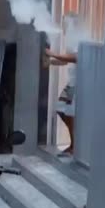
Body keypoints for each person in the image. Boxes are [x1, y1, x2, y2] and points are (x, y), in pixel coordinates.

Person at [44, 14, 79, 155]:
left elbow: (75, 57)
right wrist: (51, 62)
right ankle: (75, 143)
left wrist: (53, 54)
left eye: (65, 23)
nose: (63, 26)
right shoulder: (71, 39)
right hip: (72, 82)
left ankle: (75, 146)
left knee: (68, 111)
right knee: (61, 108)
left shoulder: (78, 38)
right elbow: (66, 60)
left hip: (78, 83)